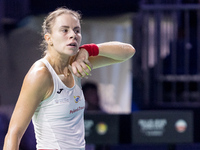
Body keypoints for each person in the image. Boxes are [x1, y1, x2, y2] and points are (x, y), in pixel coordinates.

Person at [3, 7, 135, 150]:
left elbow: (128, 52)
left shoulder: (77, 63)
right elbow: (14, 133)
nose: (73, 35)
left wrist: (88, 50)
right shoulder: (40, 74)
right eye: (65, 30)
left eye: (77, 30)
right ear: (49, 38)